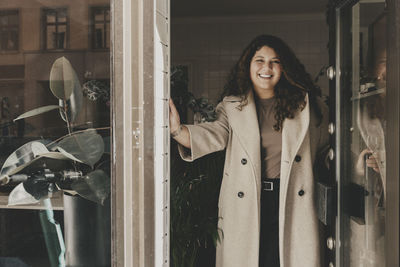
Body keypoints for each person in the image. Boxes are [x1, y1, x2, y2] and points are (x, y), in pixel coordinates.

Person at [169, 35, 328, 267]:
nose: (267, 67)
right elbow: (215, 134)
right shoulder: (232, 107)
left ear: (284, 68)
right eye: (260, 60)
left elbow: (328, 149)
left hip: (292, 200)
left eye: (275, 61)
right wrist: (177, 130)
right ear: (248, 66)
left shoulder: (307, 106)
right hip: (249, 202)